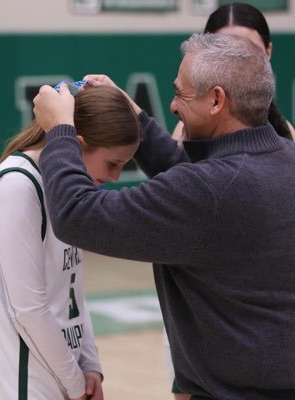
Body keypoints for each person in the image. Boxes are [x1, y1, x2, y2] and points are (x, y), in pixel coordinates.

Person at [33, 33, 295, 399]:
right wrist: (136, 118)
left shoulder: (208, 191)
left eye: (181, 93)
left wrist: (60, 132)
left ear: (216, 100)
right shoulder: (282, 159)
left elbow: (77, 215)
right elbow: (193, 178)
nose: (172, 106)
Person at [0, 85, 142, 400]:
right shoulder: (18, 185)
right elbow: (28, 309)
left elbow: (73, 290)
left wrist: (91, 366)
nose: (115, 177)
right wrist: (75, 385)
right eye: (112, 164)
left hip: (57, 382)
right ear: (78, 144)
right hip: (13, 387)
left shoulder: (69, 193)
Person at [172, 2, 295, 142]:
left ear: (268, 52)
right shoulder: (185, 135)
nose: (236, 64)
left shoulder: (287, 137)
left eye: (249, 53)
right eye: (223, 53)